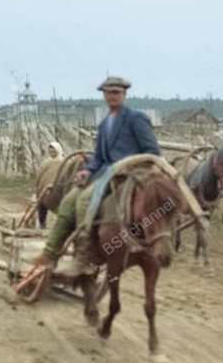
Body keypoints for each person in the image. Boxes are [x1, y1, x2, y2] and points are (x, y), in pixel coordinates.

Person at [38, 76, 160, 275]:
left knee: (84, 201)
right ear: (104, 95)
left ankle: (84, 256)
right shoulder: (105, 124)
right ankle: (50, 253)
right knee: (68, 201)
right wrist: (88, 170)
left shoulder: (136, 120)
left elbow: (152, 153)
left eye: (116, 92)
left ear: (124, 94)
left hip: (127, 177)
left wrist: (129, 168)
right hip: (103, 176)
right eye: (108, 92)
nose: (112, 96)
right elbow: (99, 157)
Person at [34, 140, 65, 228]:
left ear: (58, 150)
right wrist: (38, 186)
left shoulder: (64, 162)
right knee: (41, 204)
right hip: (45, 186)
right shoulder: (46, 163)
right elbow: (39, 175)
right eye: (50, 151)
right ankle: (42, 224)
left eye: (53, 150)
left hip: (58, 186)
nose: (52, 152)